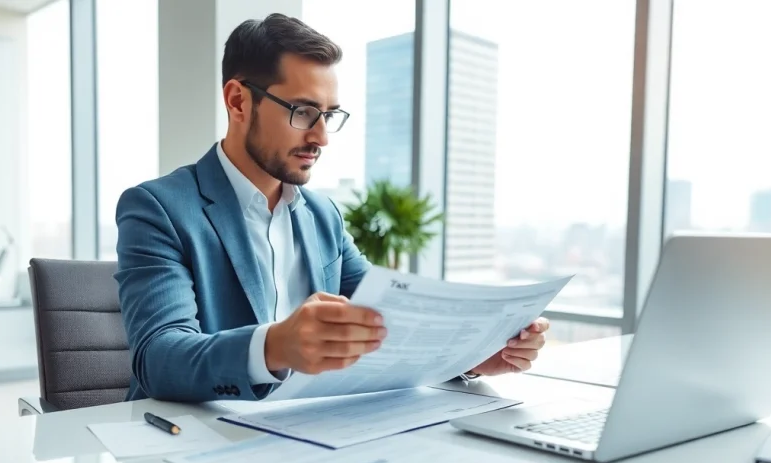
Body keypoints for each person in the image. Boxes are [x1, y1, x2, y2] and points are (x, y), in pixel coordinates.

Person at [114, 13, 550, 402]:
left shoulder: (324, 216)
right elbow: (159, 358)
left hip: (308, 434)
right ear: (238, 101)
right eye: (303, 112)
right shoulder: (159, 208)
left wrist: (473, 355)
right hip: (190, 452)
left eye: (329, 115)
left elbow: (388, 324)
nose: (321, 137)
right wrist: (275, 346)